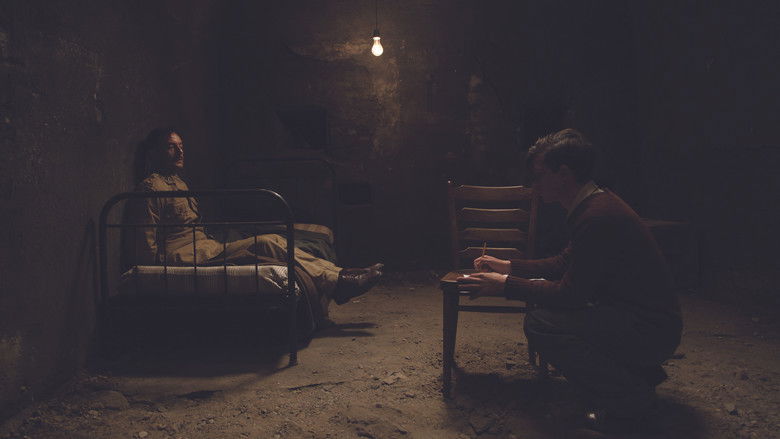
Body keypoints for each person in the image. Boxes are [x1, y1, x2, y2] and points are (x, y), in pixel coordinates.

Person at [457, 128, 682, 433]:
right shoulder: (594, 205)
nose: (533, 184)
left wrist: (505, 284)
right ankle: (637, 378)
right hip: (643, 322)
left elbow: (571, 295)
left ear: (564, 174)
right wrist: (508, 266)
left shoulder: (597, 216)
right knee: (555, 316)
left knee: (541, 323)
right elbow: (564, 263)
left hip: (650, 331)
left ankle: (629, 402)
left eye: (539, 175)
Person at [127, 127, 383, 310]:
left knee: (273, 240)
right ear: (155, 152)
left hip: (206, 247)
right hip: (187, 257)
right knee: (266, 242)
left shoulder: (179, 183)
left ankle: (340, 275)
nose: (180, 151)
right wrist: (154, 275)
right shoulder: (151, 188)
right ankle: (339, 281)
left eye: (181, 146)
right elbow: (144, 243)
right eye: (171, 146)